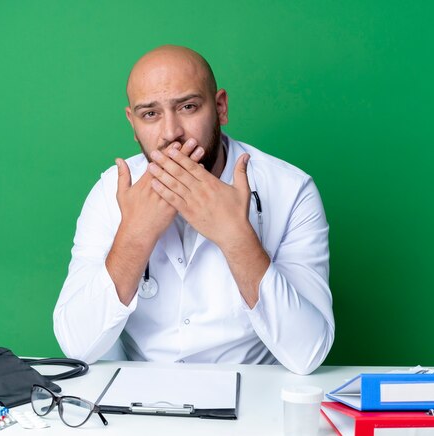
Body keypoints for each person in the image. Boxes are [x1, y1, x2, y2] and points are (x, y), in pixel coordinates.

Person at [53, 45, 334, 375]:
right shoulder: (111, 192)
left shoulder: (291, 190)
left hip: (256, 402)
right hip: (139, 403)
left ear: (220, 107)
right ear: (133, 123)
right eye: (150, 114)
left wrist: (236, 238)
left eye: (187, 107)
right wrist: (135, 236)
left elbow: (308, 353)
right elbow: (76, 345)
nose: (171, 132)